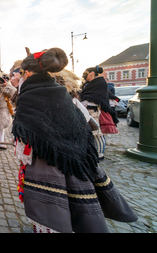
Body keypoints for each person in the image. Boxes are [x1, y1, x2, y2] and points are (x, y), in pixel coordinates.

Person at [13, 48, 137, 233]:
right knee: (74, 207)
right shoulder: (61, 91)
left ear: (28, 73)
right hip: (74, 159)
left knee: (52, 213)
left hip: (48, 164)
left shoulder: (30, 96)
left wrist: (25, 156)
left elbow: (24, 142)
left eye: (22, 73)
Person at [79, 66, 119, 159]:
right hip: (88, 110)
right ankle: (92, 151)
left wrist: (84, 102)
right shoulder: (89, 84)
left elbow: (99, 97)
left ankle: (100, 154)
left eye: (86, 73)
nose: (84, 75)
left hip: (95, 110)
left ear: (92, 73)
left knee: (97, 133)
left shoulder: (100, 83)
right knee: (91, 132)